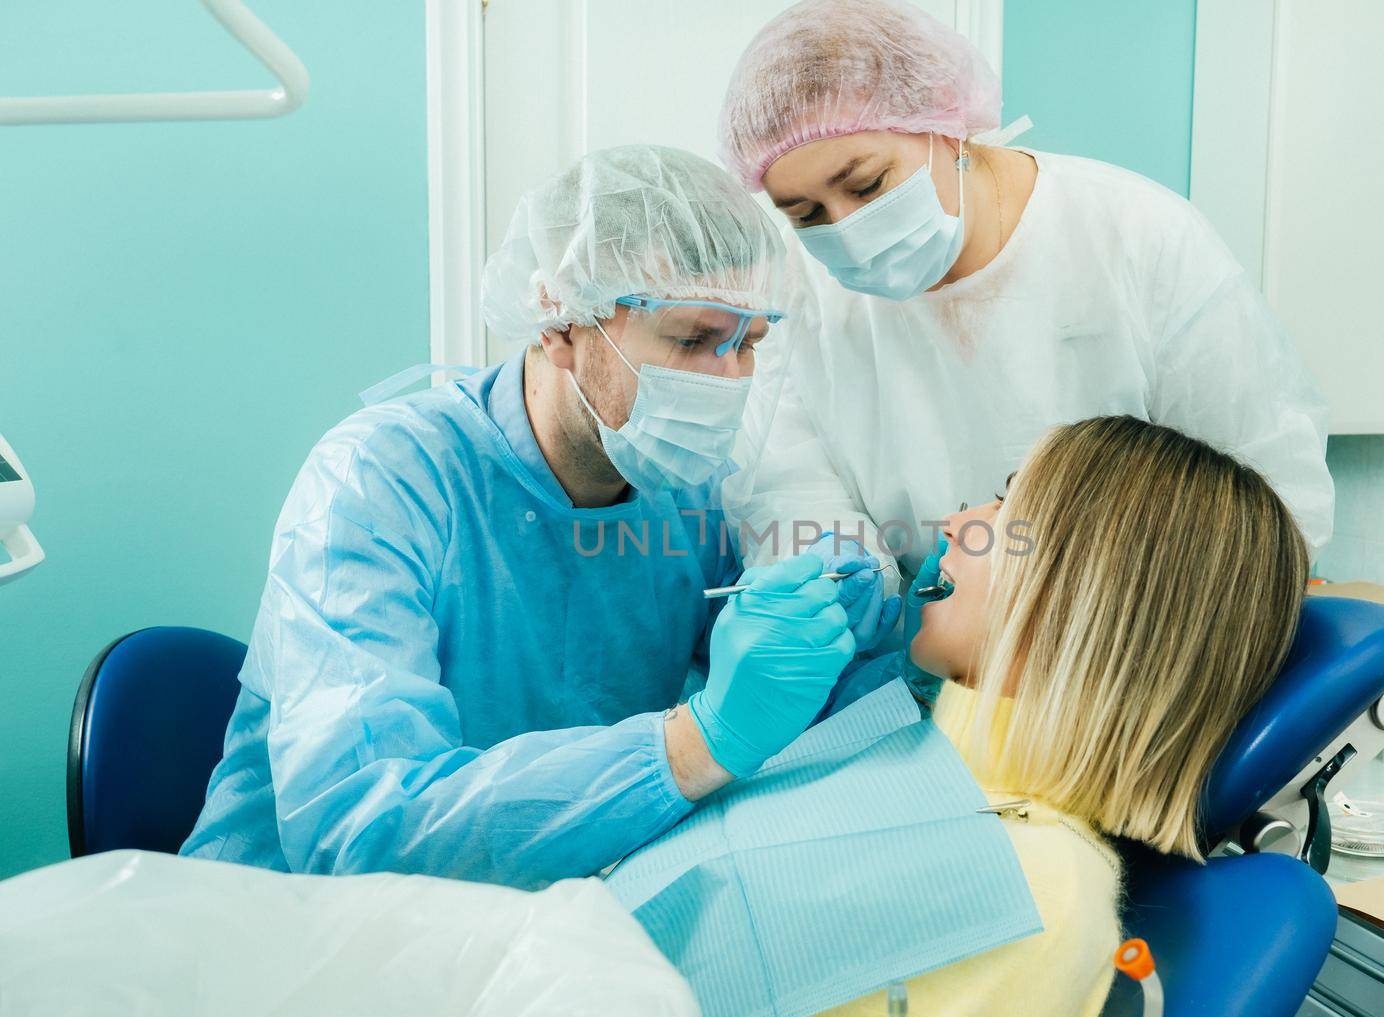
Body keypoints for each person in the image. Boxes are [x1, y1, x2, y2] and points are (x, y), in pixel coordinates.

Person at [181, 145, 885, 889]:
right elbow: (360, 824)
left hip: (537, 931)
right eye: (692, 339)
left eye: (748, 343)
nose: (730, 378)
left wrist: (872, 616)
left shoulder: (686, 492)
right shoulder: (381, 482)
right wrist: (692, 745)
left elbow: (784, 688)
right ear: (561, 325)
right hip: (296, 935)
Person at [722, 416, 1309, 1017]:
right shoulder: (928, 772)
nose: (955, 520)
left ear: (1084, 588)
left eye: (1007, 505)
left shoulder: (1036, 890)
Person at [717, 0, 1334, 594]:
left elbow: (1262, 498)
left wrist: (1094, 631)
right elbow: (785, 478)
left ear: (943, 126)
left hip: (1115, 650)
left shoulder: (1134, 237)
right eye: (805, 214)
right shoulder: (798, 288)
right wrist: (840, 579)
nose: (846, 229)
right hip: (923, 645)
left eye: (867, 184)